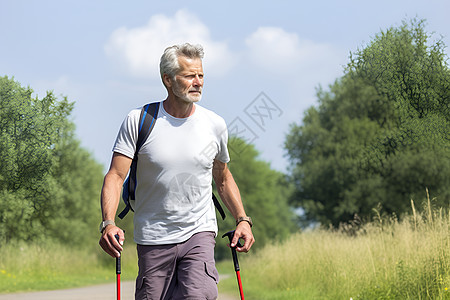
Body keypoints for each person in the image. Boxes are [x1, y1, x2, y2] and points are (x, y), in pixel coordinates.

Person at [99, 43, 255, 300]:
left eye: (201, 75)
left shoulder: (214, 124)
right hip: (153, 236)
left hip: (199, 232)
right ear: (168, 80)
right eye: (189, 76)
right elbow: (115, 176)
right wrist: (108, 223)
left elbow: (223, 177)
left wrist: (243, 220)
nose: (198, 82)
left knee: (199, 294)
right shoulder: (139, 120)